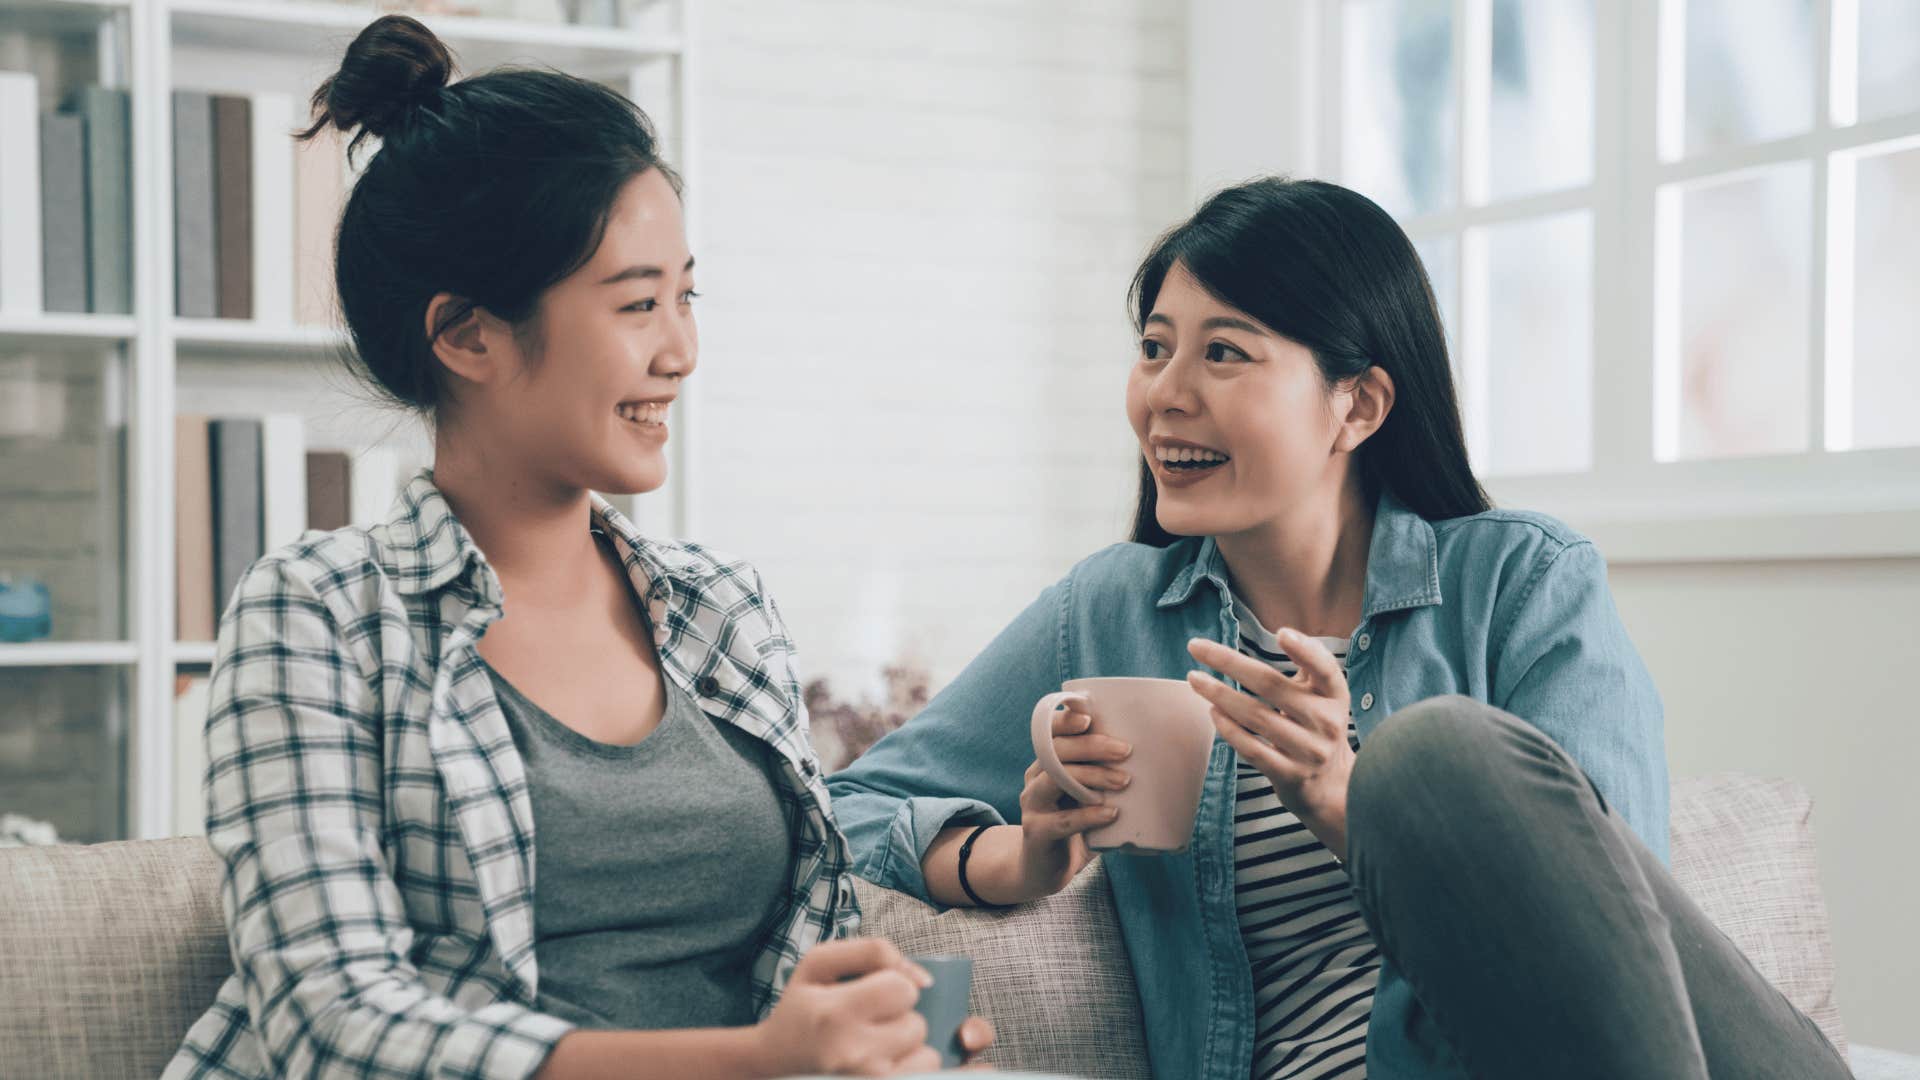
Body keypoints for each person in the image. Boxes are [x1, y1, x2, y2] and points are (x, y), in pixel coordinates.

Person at [828, 177, 1852, 1080]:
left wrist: (1354, 805)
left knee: (1436, 757)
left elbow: (1619, 926)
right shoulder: (1111, 613)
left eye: (1224, 352)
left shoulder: (1523, 582)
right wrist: (1017, 860)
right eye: (1153, 349)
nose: (1164, 396)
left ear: (1356, 406)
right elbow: (838, 808)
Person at [164, 16, 987, 1080]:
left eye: (686, 296)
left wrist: (871, 1038)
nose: (682, 350)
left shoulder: (719, 607)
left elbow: (805, 945)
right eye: (639, 302)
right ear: (467, 334)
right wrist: (753, 1059)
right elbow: (334, 1019)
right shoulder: (318, 613)